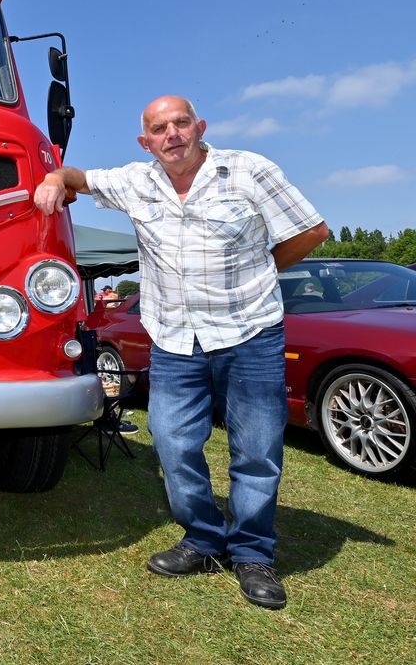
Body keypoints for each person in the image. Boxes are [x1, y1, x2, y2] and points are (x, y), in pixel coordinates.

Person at [34, 95, 328, 610]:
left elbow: (311, 231)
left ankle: (254, 553)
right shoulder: (135, 181)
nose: (171, 134)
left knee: (256, 450)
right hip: (174, 339)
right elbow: (79, 176)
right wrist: (57, 180)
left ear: (200, 127)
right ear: (145, 142)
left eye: (180, 123)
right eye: (158, 128)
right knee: (171, 443)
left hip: (250, 333)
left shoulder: (248, 170)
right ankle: (203, 539)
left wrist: (258, 276)